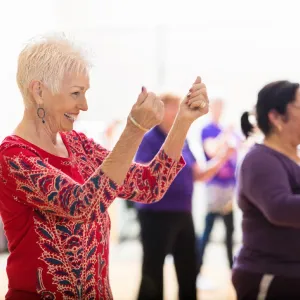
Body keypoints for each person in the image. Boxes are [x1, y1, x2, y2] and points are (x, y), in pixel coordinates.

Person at [0, 34, 210, 300]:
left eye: (85, 93)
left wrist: (182, 121)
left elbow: (149, 186)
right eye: (76, 93)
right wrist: (134, 129)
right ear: (39, 91)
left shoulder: (78, 144)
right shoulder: (14, 157)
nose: (84, 106)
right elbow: (82, 205)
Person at [134, 93, 235, 300]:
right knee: (153, 270)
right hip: (155, 214)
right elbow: (141, 176)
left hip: (182, 212)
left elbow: (199, 174)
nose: (179, 112)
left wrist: (222, 156)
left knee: (189, 268)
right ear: (161, 111)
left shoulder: (183, 140)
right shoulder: (148, 139)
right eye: (173, 107)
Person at [232, 80, 300, 299]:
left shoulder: (294, 157)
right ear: (276, 117)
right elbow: (280, 208)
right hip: (271, 276)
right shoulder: (260, 159)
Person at [196, 98, 239, 279]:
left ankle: (233, 269)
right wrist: (225, 137)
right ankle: (197, 269)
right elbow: (212, 150)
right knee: (209, 228)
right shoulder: (208, 130)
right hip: (214, 186)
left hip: (228, 185)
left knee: (230, 230)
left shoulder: (227, 130)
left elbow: (236, 150)